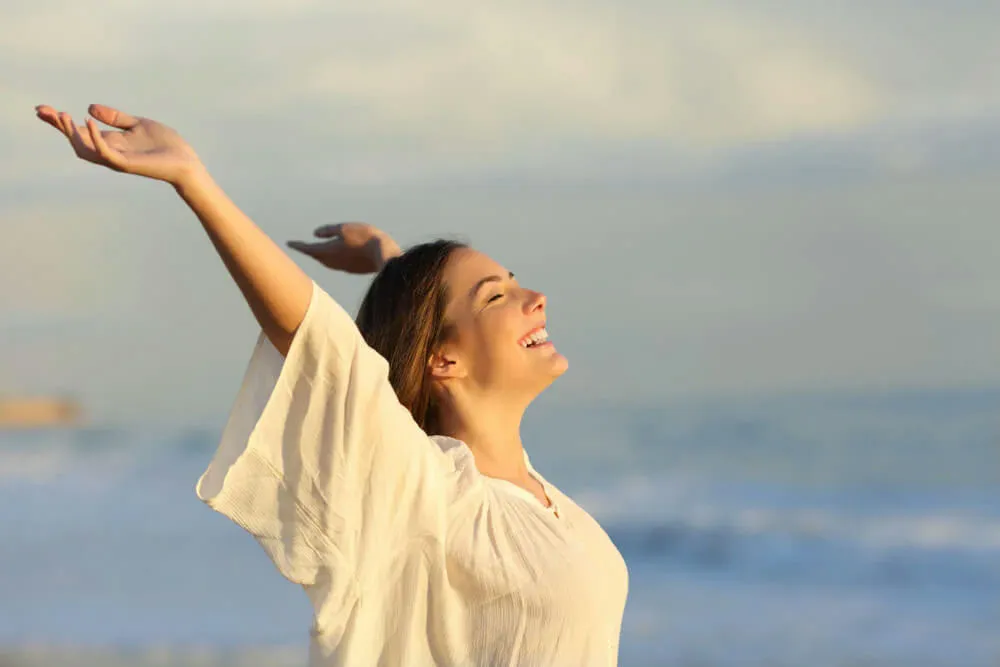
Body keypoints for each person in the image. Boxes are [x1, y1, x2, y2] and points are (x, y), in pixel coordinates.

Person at [35, 103, 630, 666]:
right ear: (444, 361)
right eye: (498, 296)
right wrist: (195, 183)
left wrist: (390, 264)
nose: (536, 299)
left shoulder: (531, 494)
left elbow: (411, 332)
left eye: (513, 282)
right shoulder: (427, 491)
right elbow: (314, 337)